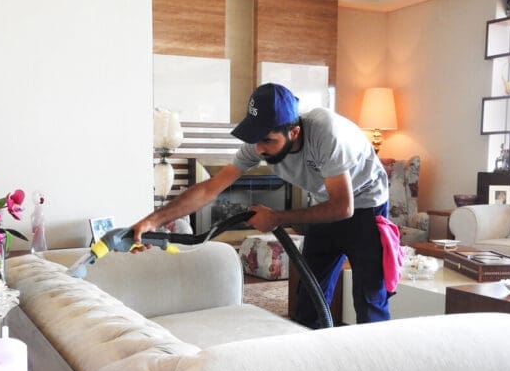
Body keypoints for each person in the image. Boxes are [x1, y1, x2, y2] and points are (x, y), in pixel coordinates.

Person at [131, 83, 391, 328]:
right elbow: (210, 188)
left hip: (366, 206)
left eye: (268, 140)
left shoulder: (326, 133)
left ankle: (382, 369)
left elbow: (343, 207)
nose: (259, 148)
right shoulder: (258, 145)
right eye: (256, 139)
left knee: (369, 300)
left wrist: (277, 217)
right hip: (325, 201)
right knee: (310, 298)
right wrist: (153, 221)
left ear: (294, 132)